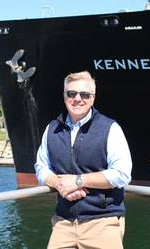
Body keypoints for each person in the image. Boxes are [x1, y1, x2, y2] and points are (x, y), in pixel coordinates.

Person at [34, 71, 132, 249]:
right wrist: (60, 184)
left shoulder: (110, 128)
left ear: (93, 98)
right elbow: (41, 167)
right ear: (64, 96)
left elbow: (122, 174)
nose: (77, 99)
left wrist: (78, 181)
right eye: (71, 93)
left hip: (102, 222)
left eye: (84, 94)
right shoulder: (52, 129)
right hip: (63, 222)